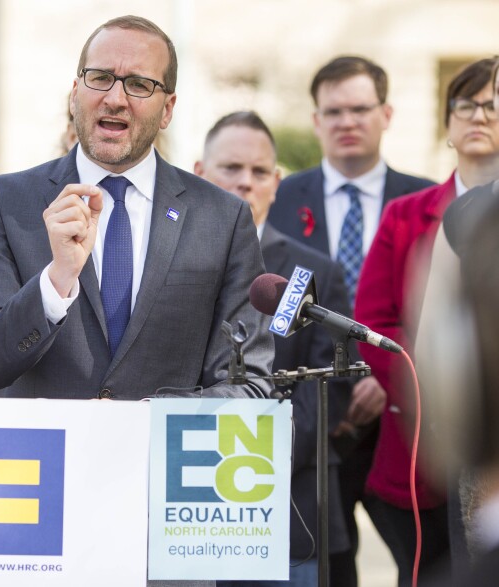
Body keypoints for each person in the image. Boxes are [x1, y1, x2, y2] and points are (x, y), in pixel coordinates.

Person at [0, 16, 273, 402]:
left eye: (139, 84)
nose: (115, 98)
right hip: (44, 457)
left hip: (161, 457)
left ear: (167, 109)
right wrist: (56, 280)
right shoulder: (2, 203)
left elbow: (248, 383)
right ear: (76, 92)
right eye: (100, 77)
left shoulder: (223, 219)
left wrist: (141, 421)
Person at [267, 55, 435, 587]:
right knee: (329, 567)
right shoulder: (279, 196)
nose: (346, 121)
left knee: (423, 563)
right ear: (316, 120)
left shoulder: (425, 200)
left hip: (406, 417)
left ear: (386, 113)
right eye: (333, 111)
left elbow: (440, 308)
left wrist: (391, 380)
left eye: (360, 108)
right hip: (318, 423)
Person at [356, 58, 499, 586]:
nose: (479, 115)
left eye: (492, 104)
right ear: (447, 123)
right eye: (466, 105)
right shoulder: (407, 213)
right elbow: (373, 323)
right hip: (419, 439)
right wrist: (438, 388)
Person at [196, 111, 351, 586]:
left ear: (277, 182)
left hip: (289, 512)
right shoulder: (173, 265)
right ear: (199, 173)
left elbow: (330, 390)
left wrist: (254, 465)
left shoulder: (316, 272)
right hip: (186, 507)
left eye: (260, 172)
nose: (246, 182)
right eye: (231, 168)